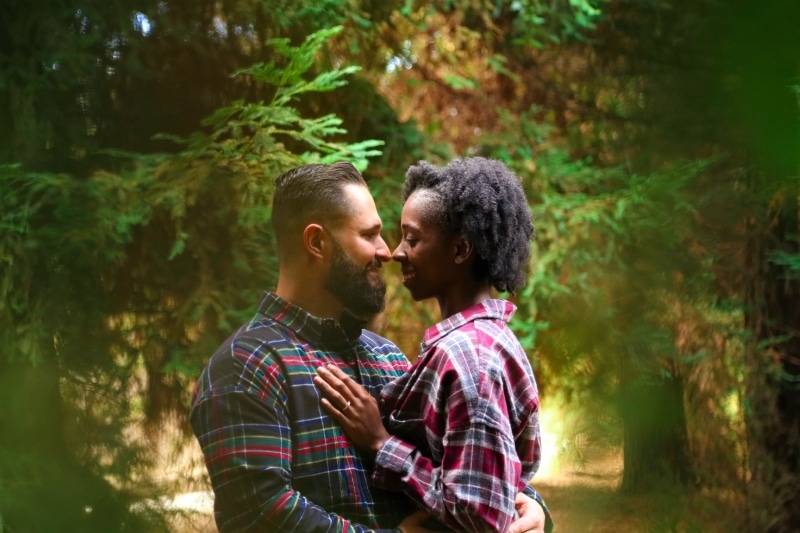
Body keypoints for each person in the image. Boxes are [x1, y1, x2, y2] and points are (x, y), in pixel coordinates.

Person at [189, 161, 548, 532]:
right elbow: (260, 516)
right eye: (370, 235)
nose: (386, 252)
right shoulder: (245, 366)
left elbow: (466, 464)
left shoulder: (387, 359)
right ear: (317, 242)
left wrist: (531, 509)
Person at [315, 157, 551, 532]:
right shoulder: (486, 342)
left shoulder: (468, 359)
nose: (396, 252)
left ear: (460, 251)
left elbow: (479, 514)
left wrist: (380, 442)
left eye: (413, 238)